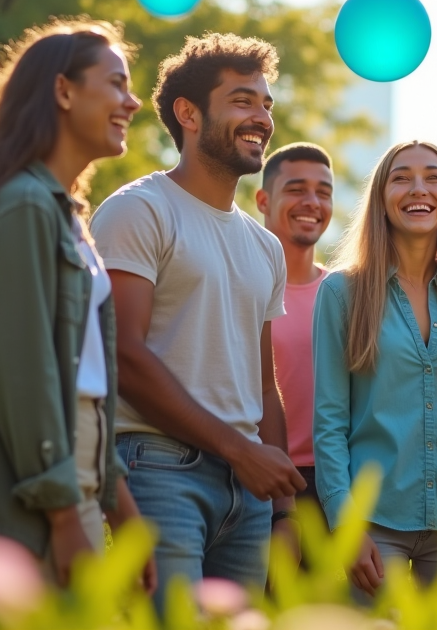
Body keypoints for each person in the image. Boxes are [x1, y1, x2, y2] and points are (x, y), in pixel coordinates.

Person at [0, 20, 153, 592]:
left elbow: (88, 381)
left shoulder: (67, 216)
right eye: (115, 83)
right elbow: (24, 370)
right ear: (63, 91)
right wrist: (63, 512)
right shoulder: (23, 207)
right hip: (23, 488)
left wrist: (120, 510)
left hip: (73, 475)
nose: (131, 101)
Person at [90, 33, 305, 610]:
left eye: (266, 104)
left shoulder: (265, 247)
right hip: (159, 470)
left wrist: (282, 506)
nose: (261, 117)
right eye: (242, 100)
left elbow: (263, 384)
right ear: (188, 113)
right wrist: (239, 449)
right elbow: (124, 358)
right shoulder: (139, 210)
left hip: (249, 491)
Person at [312, 141, 437, 598]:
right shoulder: (341, 293)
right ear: (381, 197)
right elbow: (329, 422)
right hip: (374, 525)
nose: (419, 189)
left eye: (434, 177)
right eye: (401, 177)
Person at [256, 142, 334, 543]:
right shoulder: (243, 288)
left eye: (323, 191)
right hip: (261, 479)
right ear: (263, 201)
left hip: (338, 486)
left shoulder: (345, 294)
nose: (312, 201)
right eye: (296, 189)